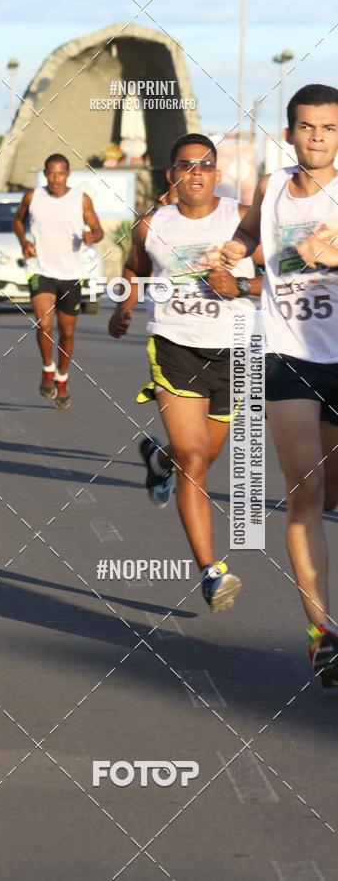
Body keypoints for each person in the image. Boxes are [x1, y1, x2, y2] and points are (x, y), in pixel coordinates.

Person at [109, 133, 262, 612]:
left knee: (200, 456)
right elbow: (133, 269)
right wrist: (125, 307)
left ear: (217, 174)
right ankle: (212, 572)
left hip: (234, 352)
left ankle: (159, 460)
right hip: (175, 348)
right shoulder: (151, 225)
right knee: (194, 463)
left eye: (205, 165)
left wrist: (237, 284)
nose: (195, 173)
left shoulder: (240, 218)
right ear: (171, 175)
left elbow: (278, 276)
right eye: (185, 165)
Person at [220, 84, 338, 685]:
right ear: (289, 132)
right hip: (289, 356)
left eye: (328, 128)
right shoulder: (270, 189)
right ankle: (325, 635)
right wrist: (230, 256)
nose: (317, 136)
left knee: (333, 494)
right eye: (307, 126)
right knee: (305, 492)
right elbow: (248, 235)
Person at [13, 153, 104, 408]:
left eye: (60, 173)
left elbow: (98, 229)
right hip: (40, 269)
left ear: (68, 174)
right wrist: (24, 241)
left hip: (71, 273)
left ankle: (62, 378)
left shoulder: (80, 199)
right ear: (45, 174)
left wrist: (91, 237)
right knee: (44, 325)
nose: (55, 179)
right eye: (51, 173)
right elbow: (17, 220)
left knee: (67, 332)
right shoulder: (33, 197)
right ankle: (47, 369)